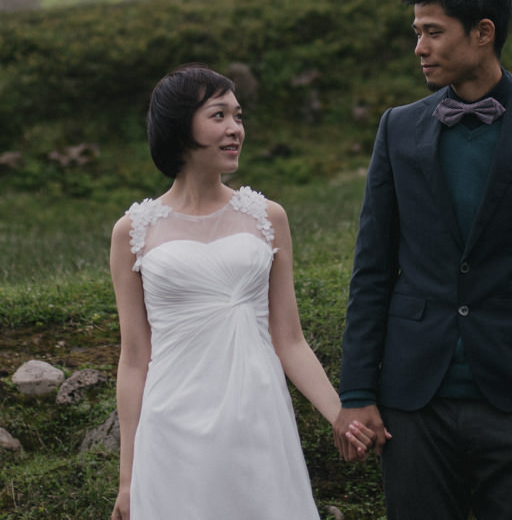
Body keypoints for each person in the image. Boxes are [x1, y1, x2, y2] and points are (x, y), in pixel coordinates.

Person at [332, 0, 512, 519]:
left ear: (483, 32)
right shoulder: (397, 128)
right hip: (413, 405)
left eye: (433, 31)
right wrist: (358, 392)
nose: (419, 48)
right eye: (416, 32)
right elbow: (372, 270)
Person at [110, 64, 373, 520]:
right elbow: (135, 359)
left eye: (238, 116)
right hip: (171, 428)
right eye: (218, 116)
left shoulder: (267, 217)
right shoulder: (133, 231)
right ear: (179, 126)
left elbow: (289, 339)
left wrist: (339, 415)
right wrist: (128, 479)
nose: (235, 129)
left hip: (257, 419)